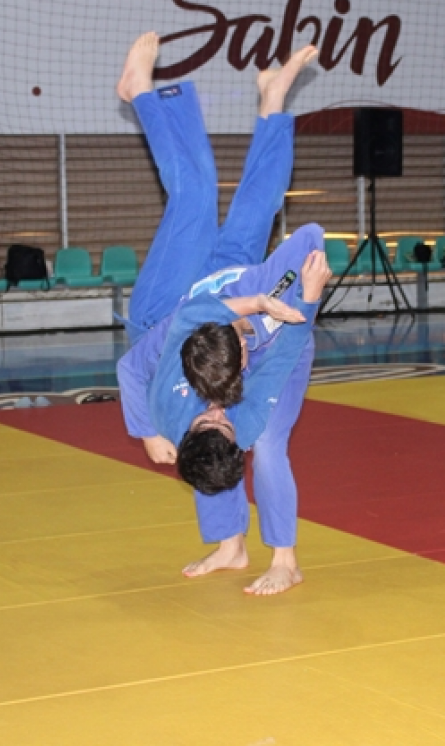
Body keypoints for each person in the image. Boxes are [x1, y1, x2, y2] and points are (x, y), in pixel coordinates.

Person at [114, 32, 324, 594]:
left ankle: (140, 94)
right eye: (223, 423)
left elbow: (139, 362)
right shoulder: (246, 413)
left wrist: (145, 432)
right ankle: (273, 97)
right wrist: (299, 301)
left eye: (203, 422)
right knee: (260, 203)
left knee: (195, 196)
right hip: (248, 302)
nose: (213, 414)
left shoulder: (169, 406)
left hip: (169, 312)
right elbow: (282, 347)